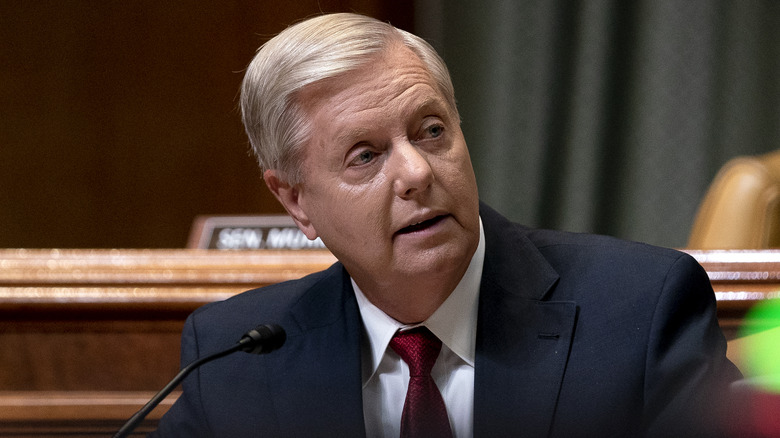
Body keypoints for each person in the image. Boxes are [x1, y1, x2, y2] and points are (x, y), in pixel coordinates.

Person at [152, 13, 740, 437]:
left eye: (432, 131)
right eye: (365, 155)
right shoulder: (236, 360)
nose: (415, 172)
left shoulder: (639, 312)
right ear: (295, 201)